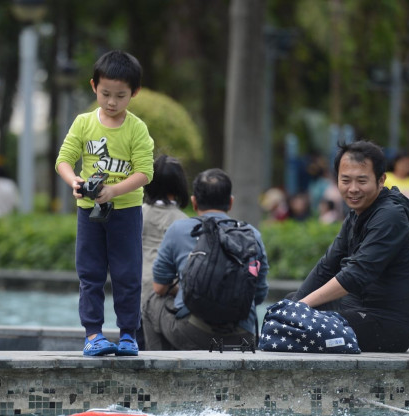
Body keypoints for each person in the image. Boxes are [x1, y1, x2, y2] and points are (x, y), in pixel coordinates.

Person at [55, 49, 154, 357]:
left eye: (121, 96)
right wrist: (75, 181)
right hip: (89, 213)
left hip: (126, 213)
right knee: (90, 274)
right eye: (106, 93)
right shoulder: (83, 123)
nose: (112, 102)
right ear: (93, 86)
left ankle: (128, 335)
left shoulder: (136, 128)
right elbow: (63, 160)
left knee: (127, 274)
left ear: (134, 92)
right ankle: (93, 335)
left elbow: (145, 173)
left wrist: (113, 191)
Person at [291, 140, 409, 353]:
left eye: (362, 180)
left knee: (298, 323)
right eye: (345, 180)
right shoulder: (356, 215)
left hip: (388, 326)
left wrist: (300, 308)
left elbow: (357, 274)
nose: (353, 189)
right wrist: (295, 305)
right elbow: (327, 266)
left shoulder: (390, 216)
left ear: (381, 180)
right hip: (356, 311)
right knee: (289, 305)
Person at [142, 168, 269, 350]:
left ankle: (160, 370)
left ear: (194, 202)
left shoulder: (178, 230)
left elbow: (160, 287)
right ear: (230, 202)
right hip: (243, 335)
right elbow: (259, 293)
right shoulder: (252, 234)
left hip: (194, 332)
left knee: (150, 302)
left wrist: (188, 290)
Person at [140, 154, 190, 349]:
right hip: (165, 295)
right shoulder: (183, 221)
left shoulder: (137, 213)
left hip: (134, 292)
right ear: (180, 185)